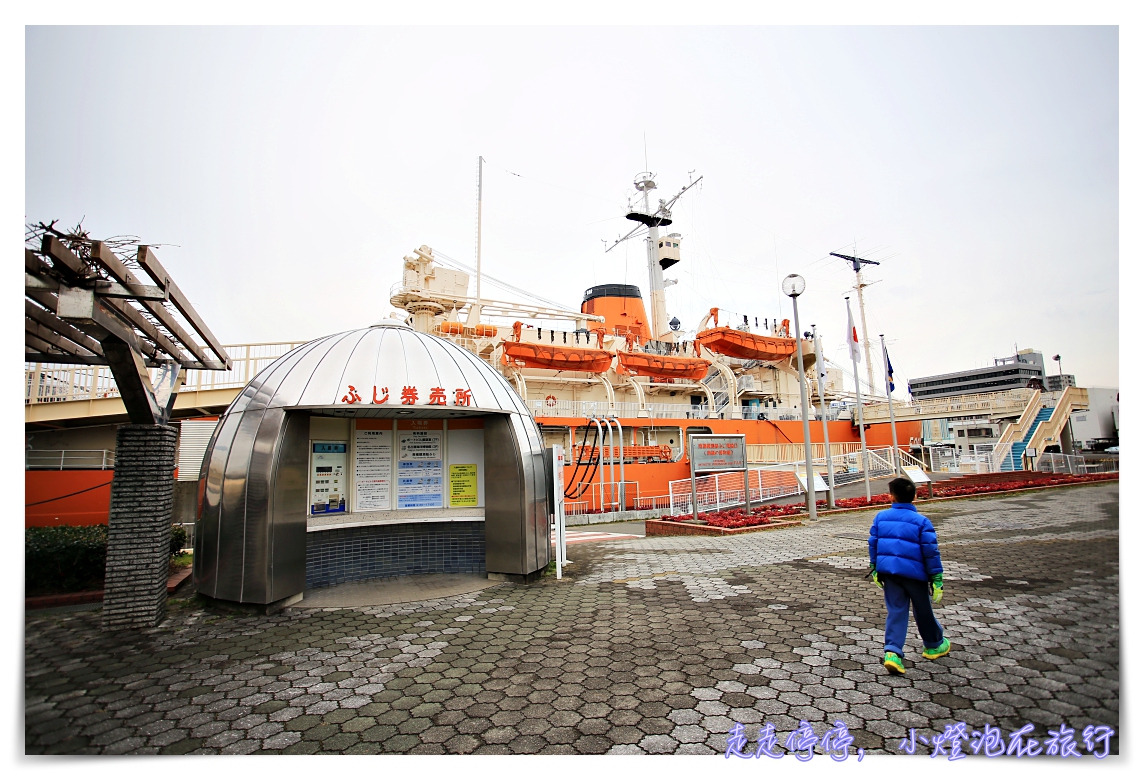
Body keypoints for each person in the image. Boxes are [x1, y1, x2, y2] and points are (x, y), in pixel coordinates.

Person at [867, 476, 949, 673]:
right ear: (914, 497)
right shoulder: (922, 522)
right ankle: (933, 643)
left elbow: (873, 543)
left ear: (892, 497)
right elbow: (930, 551)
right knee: (923, 610)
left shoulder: (881, 517)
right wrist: (936, 577)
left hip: (890, 574)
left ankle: (892, 652)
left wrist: (875, 567)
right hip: (915, 576)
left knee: (896, 611)